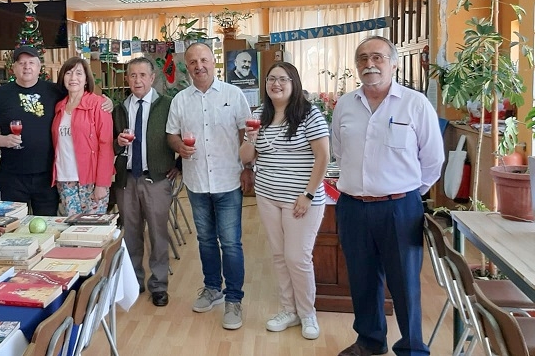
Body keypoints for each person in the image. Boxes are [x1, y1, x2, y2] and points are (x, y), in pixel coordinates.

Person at [331, 36, 444, 356]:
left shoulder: (415, 103)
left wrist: (405, 193)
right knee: (362, 280)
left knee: (405, 283)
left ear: (393, 63)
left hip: (400, 208)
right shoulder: (344, 105)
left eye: (378, 57)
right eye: (363, 58)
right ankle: (370, 340)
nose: (370, 64)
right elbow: (339, 150)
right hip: (352, 206)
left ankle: (411, 348)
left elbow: (433, 160)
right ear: (356, 66)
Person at [239, 61, 329, 340]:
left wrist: (309, 194)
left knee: (297, 257)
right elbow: (245, 157)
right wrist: (251, 138)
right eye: (271, 79)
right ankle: (288, 310)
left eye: (283, 79)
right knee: (279, 256)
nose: (276, 84)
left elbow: (323, 157)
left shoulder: (308, 114)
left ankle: (307, 313)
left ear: (294, 83)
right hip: (267, 195)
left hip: (301, 198)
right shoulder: (258, 114)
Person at [166, 42, 252, 330]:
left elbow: (246, 134)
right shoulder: (180, 100)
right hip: (197, 181)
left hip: (228, 179)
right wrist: (179, 146)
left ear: (213, 62)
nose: (198, 66)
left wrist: (248, 169)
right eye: (192, 62)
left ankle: (234, 299)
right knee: (205, 240)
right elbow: (171, 135)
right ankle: (212, 288)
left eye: (203, 60)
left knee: (230, 243)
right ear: (186, 66)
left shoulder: (233, 94)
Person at [0, 46, 112, 216]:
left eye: (31, 62)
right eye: (21, 63)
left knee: (49, 225)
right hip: (13, 175)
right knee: (13, 225)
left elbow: (81, 95)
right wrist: (3, 140)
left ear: (39, 67)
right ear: (13, 67)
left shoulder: (54, 92)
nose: (26, 67)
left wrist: (106, 101)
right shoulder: (1, 94)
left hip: (47, 178)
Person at [112, 57, 178, 307]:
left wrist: (178, 164)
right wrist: (118, 142)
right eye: (132, 75)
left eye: (142, 75)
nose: (137, 80)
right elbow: (109, 144)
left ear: (152, 78)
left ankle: (159, 284)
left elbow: (181, 135)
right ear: (127, 79)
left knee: (159, 233)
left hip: (156, 179)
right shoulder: (120, 109)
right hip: (127, 179)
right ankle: (134, 280)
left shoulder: (168, 105)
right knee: (130, 233)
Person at [52, 57, 114, 215]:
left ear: (86, 79)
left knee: (93, 232)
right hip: (65, 179)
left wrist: (102, 183)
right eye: (69, 73)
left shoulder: (98, 104)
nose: (73, 78)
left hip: (91, 180)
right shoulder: (59, 107)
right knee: (72, 230)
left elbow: (106, 146)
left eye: (79, 73)